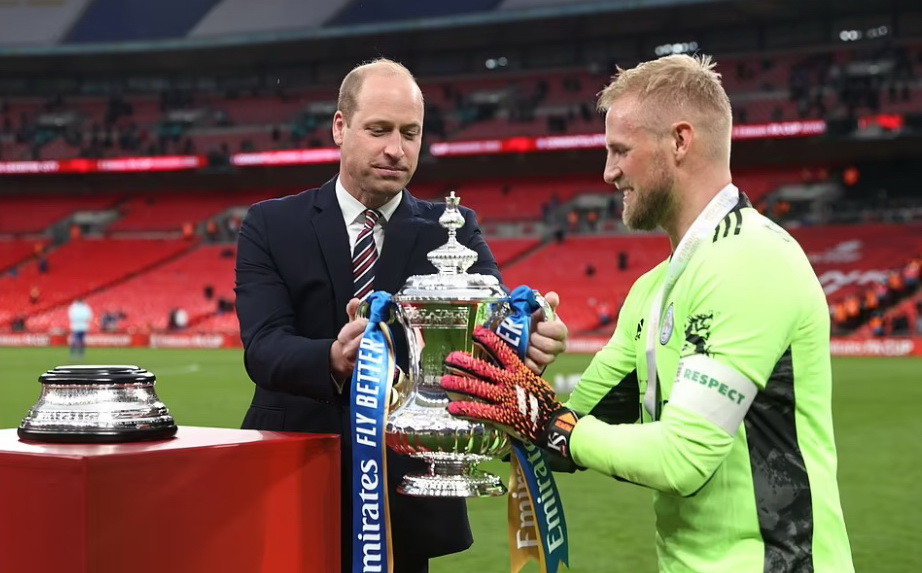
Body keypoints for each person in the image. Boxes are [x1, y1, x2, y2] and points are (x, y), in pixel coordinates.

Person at [440, 54, 853, 573]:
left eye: (620, 150)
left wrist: (555, 426)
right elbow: (569, 430)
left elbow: (681, 459)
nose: (608, 172)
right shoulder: (652, 288)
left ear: (680, 142)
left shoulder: (753, 260)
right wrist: (508, 379)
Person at [234, 58, 568, 573]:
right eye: (379, 130)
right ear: (340, 128)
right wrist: (333, 356)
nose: (396, 149)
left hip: (408, 494)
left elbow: (495, 326)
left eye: (410, 133)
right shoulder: (270, 224)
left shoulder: (452, 229)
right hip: (295, 475)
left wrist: (531, 336)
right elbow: (264, 347)